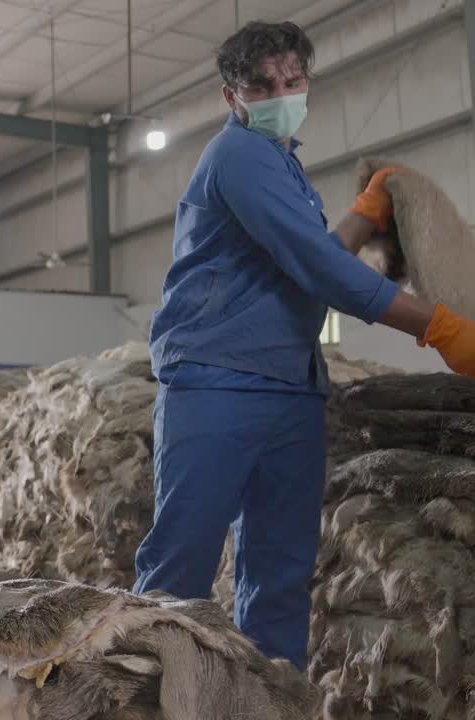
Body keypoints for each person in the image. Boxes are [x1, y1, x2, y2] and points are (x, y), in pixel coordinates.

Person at [132, 20, 475, 672]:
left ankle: (268, 700)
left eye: (291, 81)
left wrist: (368, 212)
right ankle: (154, 702)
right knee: (180, 568)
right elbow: (322, 272)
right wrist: (441, 328)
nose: (278, 93)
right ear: (231, 96)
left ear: (306, 81)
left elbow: (310, 255)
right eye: (261, 86)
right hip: (216, 385)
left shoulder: (283, 167)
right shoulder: (238, 156)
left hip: (290, 389)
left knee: (278, 572)